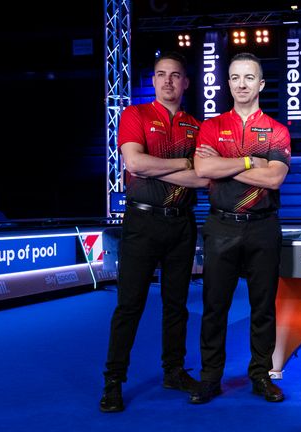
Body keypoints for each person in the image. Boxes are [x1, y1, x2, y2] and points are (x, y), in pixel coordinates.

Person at [100, 52, 212, 413]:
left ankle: (174, 371)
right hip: (142, 222)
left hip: (182, 222)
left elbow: (204, 177)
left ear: (185, 83)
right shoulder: (136, 114)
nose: (167, 81)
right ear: (154, 81)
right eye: (161, 75)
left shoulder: (198, 127)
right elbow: (134, 163)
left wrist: (156, 168)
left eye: (175, 75)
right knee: (129, 304)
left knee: (177, 305)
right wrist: (183, 163)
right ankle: (114, 381)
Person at [189, 52, 291, 404]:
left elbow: (275, 178)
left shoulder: (277, 131)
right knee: (214, 306)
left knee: (263, 307)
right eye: (235, 77)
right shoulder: (211, 127)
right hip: (221, 226)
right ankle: (209, 378)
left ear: (261, 84)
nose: (241, 84)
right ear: (228, 83)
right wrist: (249, 161)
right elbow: (202, 171)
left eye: (249, 78)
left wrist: (223, 165)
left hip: (263, 226)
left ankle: (260, 376)